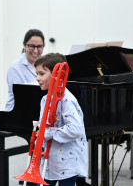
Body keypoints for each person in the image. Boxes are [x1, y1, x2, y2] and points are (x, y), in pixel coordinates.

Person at [35, 53, 89, 186]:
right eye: (37, 74)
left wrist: (50, 133)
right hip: (49, 160)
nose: (37, 78)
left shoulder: (67, 100)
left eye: (42, 74)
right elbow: (44, 127)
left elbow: (75, 129)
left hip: (66, 163)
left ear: (56, 75)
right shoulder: (45, 99)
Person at [5, 29, 45, 111]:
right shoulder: (15, 68)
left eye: (39, 46)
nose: (36, 50)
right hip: (18, 112)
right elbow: (21, 94)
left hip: (37, 109)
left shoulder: (46, 65)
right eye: (32, 46)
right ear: (24, 45)